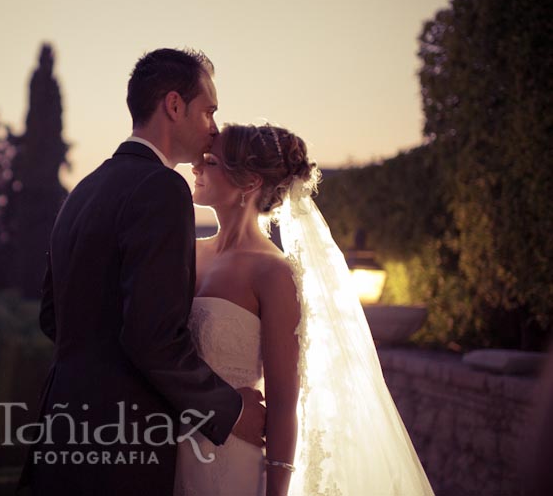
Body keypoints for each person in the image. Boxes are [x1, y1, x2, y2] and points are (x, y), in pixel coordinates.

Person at [18, 49, 266, 496]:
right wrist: (229, 408)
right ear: (174, 105)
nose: (213, 126)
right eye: (209, 110)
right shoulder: (163, 189)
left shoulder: (84, 189)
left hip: (60, 429)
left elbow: (52, 317)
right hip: (125, 446)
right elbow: (152, 337)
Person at [176, 123, 435, 496]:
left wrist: (277, 490)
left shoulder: (273, 272)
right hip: (168, 449)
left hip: (230, 461)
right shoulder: (186, 252)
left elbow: (283, 404)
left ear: (248, 182)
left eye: (210, 162)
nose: (196, 168)